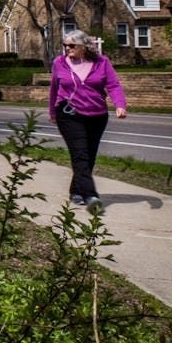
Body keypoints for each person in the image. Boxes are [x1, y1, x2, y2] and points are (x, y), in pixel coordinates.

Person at [48, 29, 127, 213]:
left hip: (97, 114)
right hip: (68, 114)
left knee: (89, 154)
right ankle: (91, 196)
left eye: (72, 45)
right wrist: (52, 112)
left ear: (84, 46)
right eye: (65, 45)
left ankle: (76, 190)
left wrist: (120, 105)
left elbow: (113, 84)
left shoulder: (102, 62)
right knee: (80, 153)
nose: (67, 48)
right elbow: (54, 88)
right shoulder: (59, 63)